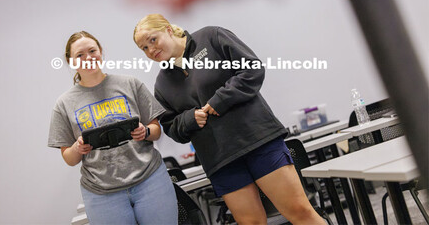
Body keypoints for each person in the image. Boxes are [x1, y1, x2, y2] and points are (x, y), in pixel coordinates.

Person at [133, 14, 325, 225]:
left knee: (299, 212)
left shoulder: (211, 37)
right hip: (220, 160)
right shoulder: (162, 84)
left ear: (168, 30)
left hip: (258, 140)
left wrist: (220, 100)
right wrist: (189, 119)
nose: (151, 50)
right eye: (144, 48)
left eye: (153, 40)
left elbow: (252, 69)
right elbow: (170, 126)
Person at [48, 31, 178, 225]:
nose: (88, 58)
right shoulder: (63, 104)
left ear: (101, 52)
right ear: (70, 61)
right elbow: (69, 158)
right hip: (102, 194)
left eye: (92, 51)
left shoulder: (130, 84)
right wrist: (77, 148)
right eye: (80, 55)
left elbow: (156, 129)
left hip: (150, 180)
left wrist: (146, 131)